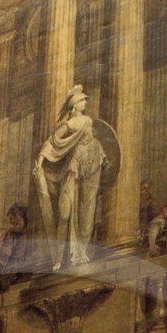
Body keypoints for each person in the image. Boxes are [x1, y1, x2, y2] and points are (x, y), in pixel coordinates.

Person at [33, 85, 106, 270]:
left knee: (87, 208)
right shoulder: (72, 123)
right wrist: (40, 161)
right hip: (72, 168)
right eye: (82, 100)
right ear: (74, 105)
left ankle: (80, 253)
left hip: (89, 165)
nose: (85, 103)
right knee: (65, 212)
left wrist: (102, 157)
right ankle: (58, 257)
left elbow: (93, 142)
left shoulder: (87, 121)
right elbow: (52, 141)